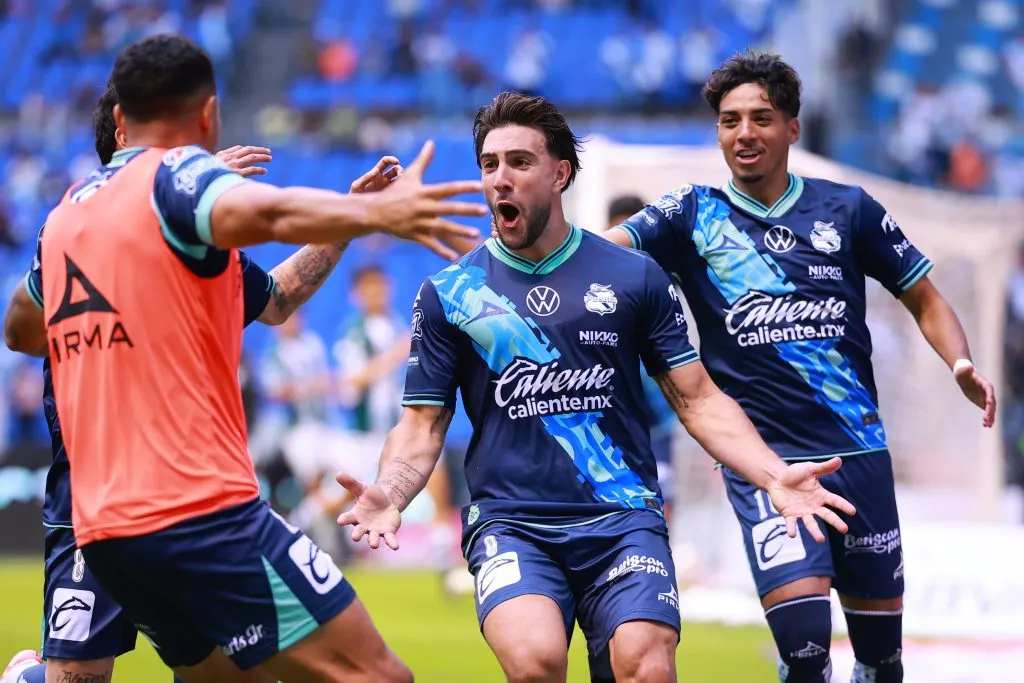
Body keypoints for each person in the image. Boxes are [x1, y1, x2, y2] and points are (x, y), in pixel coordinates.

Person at [335, 90, 855, 683]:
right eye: (490, 164)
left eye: (519, 162)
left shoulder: (634, 276)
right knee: (535, 662)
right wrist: (392, 491)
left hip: (623, 518)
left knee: (646, 667)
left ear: (560, 174)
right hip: (513, 523)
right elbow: (422, 424)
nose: (501, 178)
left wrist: (772, 475)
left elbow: (697, 399)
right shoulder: (449, 293)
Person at [34, 34, 483, 683]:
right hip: (171, 505)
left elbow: (277, 299)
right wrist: (368, 209)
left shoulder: (88, 232)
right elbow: (265, 211)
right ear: (203, 119)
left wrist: (346, 222)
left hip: (116, 518)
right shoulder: (130, 206)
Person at [604, 51, 996, 683]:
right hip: (768, 461)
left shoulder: (849, 209)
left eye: (761, 118)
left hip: (858, 455)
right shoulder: (690, 213)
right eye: (730, 121)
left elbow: (923, 296)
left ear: (792, 127)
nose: (744, 133)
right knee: (806, 648)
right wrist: (521, 264)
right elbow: (598, 254)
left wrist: (960, 360)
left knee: (882, 662)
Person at [607, 195, 681, 522]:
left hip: (658, 416)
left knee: (662, 499)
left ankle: (662, 544)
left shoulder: (660, 278)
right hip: (614, 408)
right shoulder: (594, 281)